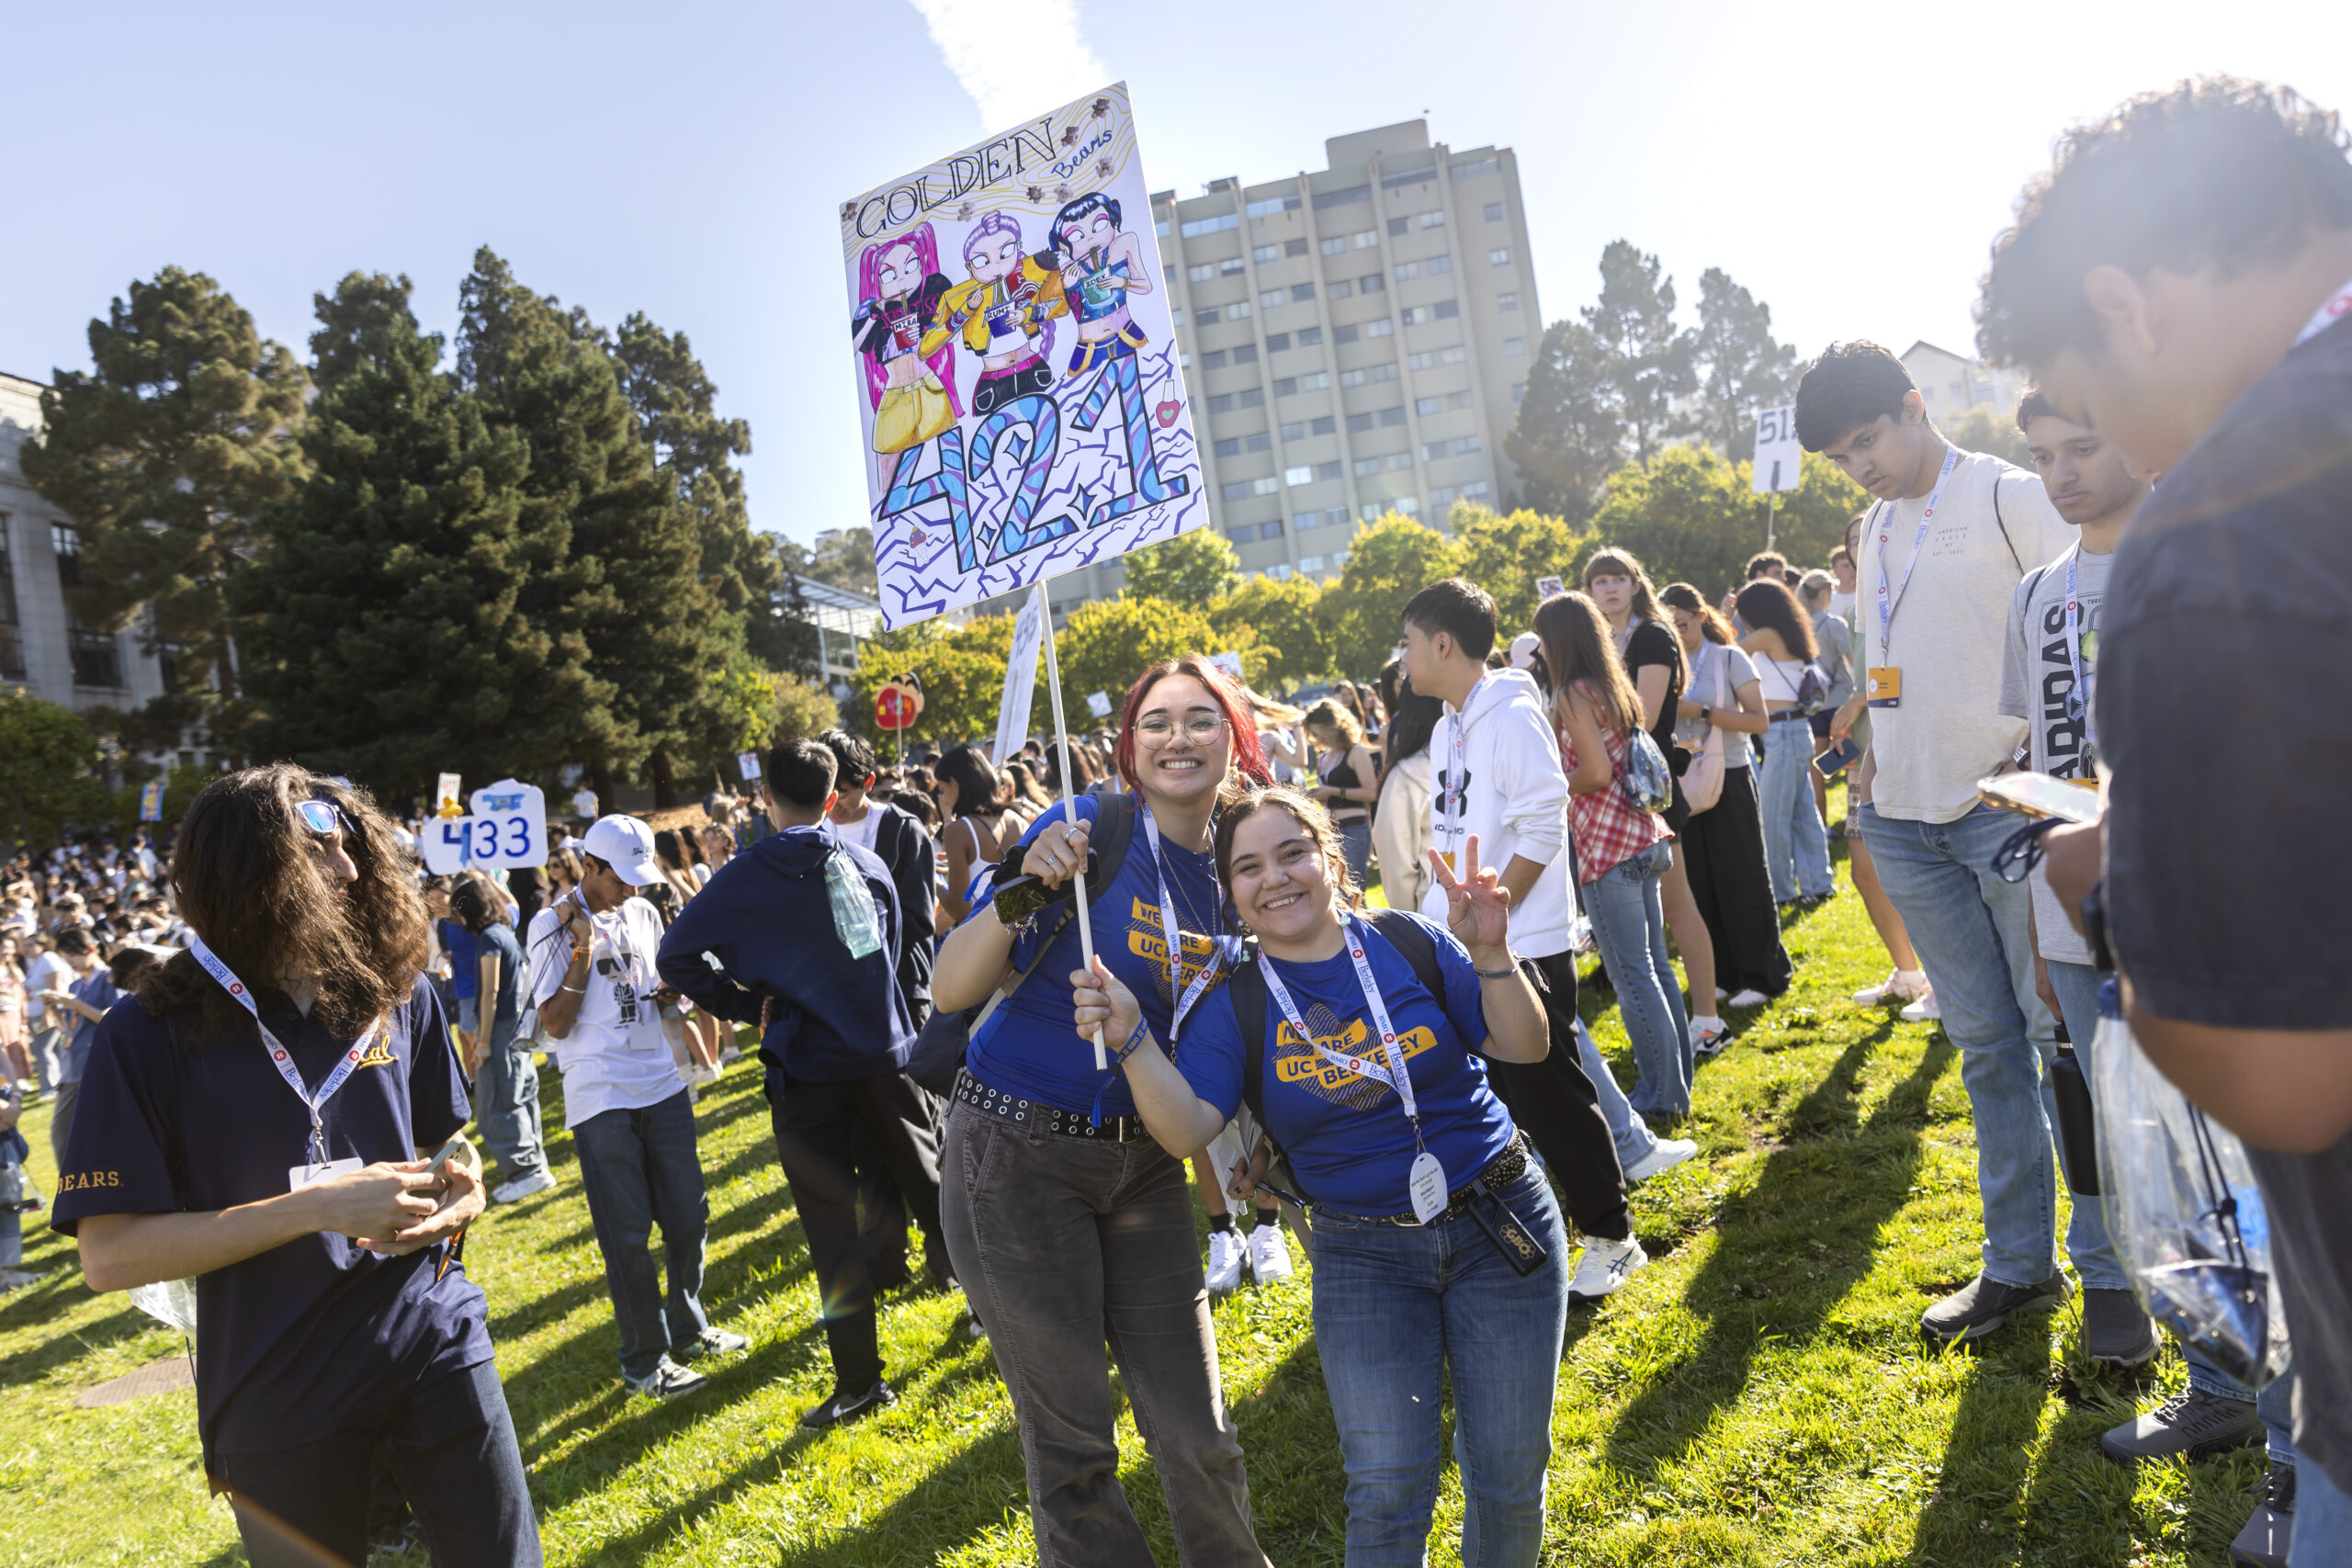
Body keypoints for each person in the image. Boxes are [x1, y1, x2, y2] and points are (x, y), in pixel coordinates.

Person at [1983, 76, 2352, 1567]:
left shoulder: (2228, 524)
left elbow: (2284, 1082)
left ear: (2129, 302)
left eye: (2089, 403)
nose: (2113, 447)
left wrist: (2122, 876)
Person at [51, 766, 540, 1568]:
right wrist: (315, 1209)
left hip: (432, 1332)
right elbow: (111, 1256)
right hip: (276, 1381)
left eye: (350, 849)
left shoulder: (396, 990)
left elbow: (447, 1145)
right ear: (248, 876)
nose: (349, 871)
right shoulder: (146, 1031)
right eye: (320, 855)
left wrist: (467, 1185)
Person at [1092, 788, 1568, 1566]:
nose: (1274, 878)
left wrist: (1491, 956)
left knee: (1509, 1474)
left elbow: (1525, 1045)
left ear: (1329, 859)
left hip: (1498, 1219)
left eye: (1291, 853)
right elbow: (1184, 1129)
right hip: (1364, 1258)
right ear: (1231, 894)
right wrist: (1133, 1039)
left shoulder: (1406, 940)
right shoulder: (1233, 1002)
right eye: (1247, 867)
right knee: (1386, 1489)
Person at [1794, 340, 2111, 1359]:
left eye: (1868, 439)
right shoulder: (1876, 529)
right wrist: (1869, 728)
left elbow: (2062, 644)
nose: (1863, 466)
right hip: (1904, 818)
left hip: (2013, 817)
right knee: (1985, 1054)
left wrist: (2046, 784)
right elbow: (1896, 660)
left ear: (1916, 405)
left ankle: (2113, 1272)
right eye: (1842, 459)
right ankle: (2020, 1266)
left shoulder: (2013, 495)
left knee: (2063, 1043)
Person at [930, 656, 1275, 1568]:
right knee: (1074, 1452)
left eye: (1201, 720)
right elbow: (949, 985)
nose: (1178, 738)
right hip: (1012, 1155)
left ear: (1232, 739)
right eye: (1156, 721)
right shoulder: (1087, 826)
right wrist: (1027, 889)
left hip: (1150, 1165)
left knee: (1197, 1433)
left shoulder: (1244, 866)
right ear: (1128, 744)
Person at [658, 739, 950, 1428]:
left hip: (809, 1067)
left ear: (764, 797)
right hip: (885, 1055)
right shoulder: (865, 857)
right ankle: (1003, 1322)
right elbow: (899, 937)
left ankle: (859, 1383)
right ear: (831, 797)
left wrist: (744, 1001)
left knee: (833, 1234)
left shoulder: (745, 875)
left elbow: (676, 954)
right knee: (938, 1198)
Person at [1397, 578, 1645, 1302]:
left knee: (1553, 1093)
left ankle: (1613, 1233)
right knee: (1504, 1099)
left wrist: (1496, 916)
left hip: (1523, 944)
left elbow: (1544, 820)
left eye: (1409, 643)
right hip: (1473, 946)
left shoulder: (1511, 714)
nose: (1403, 658)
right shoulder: (1449, 726)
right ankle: (1553, 1222)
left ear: (1444, 643)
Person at [529, 815, 747, 1400]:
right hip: (600, 1094)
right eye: (619, 876)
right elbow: (554, 1023)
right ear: (589, 867)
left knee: (688, 1215)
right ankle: (643, 1360)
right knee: (626, 1233)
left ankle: (689, 1325)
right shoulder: (549, 926)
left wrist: (669, 993)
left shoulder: (645, 913)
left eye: (637, 876)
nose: (631, 887)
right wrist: (581, 950)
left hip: (660, 1080)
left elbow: (652, 987)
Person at [1536, 589, 1699, 1126]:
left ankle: (1663, 1096)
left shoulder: (1570, 694)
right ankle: (1677, 1083)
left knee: (1634, 978)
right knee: (1654, 968)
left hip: (1608, 849)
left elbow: (1596, 773)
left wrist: (1544, 787)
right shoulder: (1612, 684)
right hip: (1644, 837)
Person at [1582, 547, 1725, 1053]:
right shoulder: (1608, 640)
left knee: (1678, 904)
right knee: (1658, 912)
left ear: (1636, 582)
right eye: (1600, 581)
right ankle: (1677, 1024)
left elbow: (1639, 716)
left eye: (1619, 577)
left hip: (1649, 789)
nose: (1611, 588)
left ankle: (1708, 1020)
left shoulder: (1651, 635)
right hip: (1619, 791)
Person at [1826, 513, 1937, 1021]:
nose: (1859, 545)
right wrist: (1857, 703)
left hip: (1915, 748)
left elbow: (1908, 674)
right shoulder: (1857, 610)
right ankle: (1909, 973)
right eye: (1852, 539)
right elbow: (1872, 675)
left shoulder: (1914, 587)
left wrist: (1858, 700)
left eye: (1865, 536)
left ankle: (1943, 982)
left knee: (1924, 874)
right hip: (1868, 752)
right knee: (1865, 872)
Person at [448, 874, 551, 1204]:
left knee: (497, 1107)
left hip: (501, 1032)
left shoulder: (490, 939)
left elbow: (489, 993)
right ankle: (535, 1166)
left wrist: (482, 1042)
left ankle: (525, 1173)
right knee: (521, 1098)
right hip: (516, 1030)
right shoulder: (505, 931)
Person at [1734, 579, 1835, 911]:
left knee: (1773, 818)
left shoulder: (1768, 636)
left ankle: (1780, 890)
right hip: (1793, 730)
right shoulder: (1788, 632)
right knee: (1804, 814)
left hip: (1783, 733)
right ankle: (1818, 883)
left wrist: (1724, 614)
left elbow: (1731, 653)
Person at [37, 925, 114, 1175]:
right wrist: (54, 1009)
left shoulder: (110, 978)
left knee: (82, 1134)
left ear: (90, 949)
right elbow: (68, 1029)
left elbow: (111, 1019)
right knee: (63, 1136)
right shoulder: (75, 985)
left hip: (96, 1066)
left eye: (72, 956)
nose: (70, 963)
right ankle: (74, 1194)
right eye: (65, 958)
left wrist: (76, 1004)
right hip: (72, 1067)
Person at [1370, 660, 1439, 915]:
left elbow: (1397, 865)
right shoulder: (1406, 775)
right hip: (1439, 917)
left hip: (1442, 913)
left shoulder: (1406, 777)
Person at [933, 742, 1024, 928]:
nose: (943, 797)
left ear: (954, 783)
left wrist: (931, 876)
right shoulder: (1017, 820)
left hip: (984, 941)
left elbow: (960, 911)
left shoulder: (958, 831)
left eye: (942, 789)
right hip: (1024, 937)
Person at [1799, 570, 1854, 833]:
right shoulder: (1834, 624)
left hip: (1813, 706)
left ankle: (1823, 830)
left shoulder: (1798, 626)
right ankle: (1855, 823)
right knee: (1851, 766)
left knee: (1816, 771)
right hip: (1841, 703)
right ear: (1823, 593)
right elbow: (1853, 662)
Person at [1304, 698, 1378, 892]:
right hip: (1330, 830)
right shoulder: (1325, 758)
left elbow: (1371, 792)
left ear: (1334, 727)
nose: (1319, 739)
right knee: (1336, 892)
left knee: (1351, 891)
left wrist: (1334, 791)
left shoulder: (1355, 752)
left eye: (1321, 733)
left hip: (1354, 828)